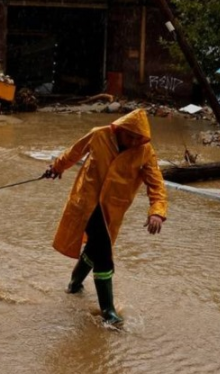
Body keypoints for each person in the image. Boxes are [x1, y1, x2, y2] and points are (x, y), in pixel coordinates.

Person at [43, 108, 168, 327]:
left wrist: (157, 211)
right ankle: (108, 311)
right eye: (129, 135)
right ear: (118, 129)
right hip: (87, 203)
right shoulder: (99, 135)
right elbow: (74, 152)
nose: (132, 141)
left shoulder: (145, 152)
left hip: (113, 210)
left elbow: (156, 184)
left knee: (94, 247)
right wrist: (56, 167)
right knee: (103, 252)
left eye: (137, 138)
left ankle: (74, 283)